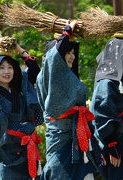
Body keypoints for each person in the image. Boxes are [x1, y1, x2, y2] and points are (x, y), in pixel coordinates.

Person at [36, 20, 99, 180]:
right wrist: (66, 31)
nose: (71, 56)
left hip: (76, 136)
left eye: (73, 52)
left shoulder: (66, 77)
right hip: (60, 138)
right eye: (67, 52)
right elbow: (54, 59)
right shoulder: (48, 75)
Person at [0, 44, 44, 180]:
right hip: (6, 152)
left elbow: (35, 72)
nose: (6, 71)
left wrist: (19, 49)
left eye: (10, 67)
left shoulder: (19, 87)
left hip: (28, 148)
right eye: (1, 68)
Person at [90, 33, 123, 180]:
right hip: (113, 145)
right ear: (120, 55)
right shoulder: (107, 81)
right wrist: (112, 144)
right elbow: (101, 115)